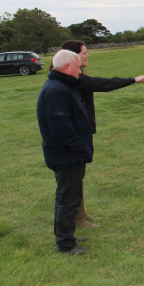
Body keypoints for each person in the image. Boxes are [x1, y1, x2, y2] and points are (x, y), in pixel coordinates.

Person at [58, 40, 144, 229]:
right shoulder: (74, 79)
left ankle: (81, 214)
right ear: (74, 56)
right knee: (73, 178)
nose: (88, 55)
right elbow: (103, 84)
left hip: (82, 132)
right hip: (75, 136)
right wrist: (133, 79)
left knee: (79, 176)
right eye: (85, 53)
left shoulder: (77, 76)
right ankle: (78, 220)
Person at [37, 49, 93, 255]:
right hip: (66, 156)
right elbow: (60, 127)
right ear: (67, 67)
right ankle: (66, 245)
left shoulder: (62, 85)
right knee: (68, 200)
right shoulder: (57, 90)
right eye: (78, 67)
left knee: (66, 198)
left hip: (69, 155)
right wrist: (81, 148)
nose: (80, 71)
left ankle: (67, 237)